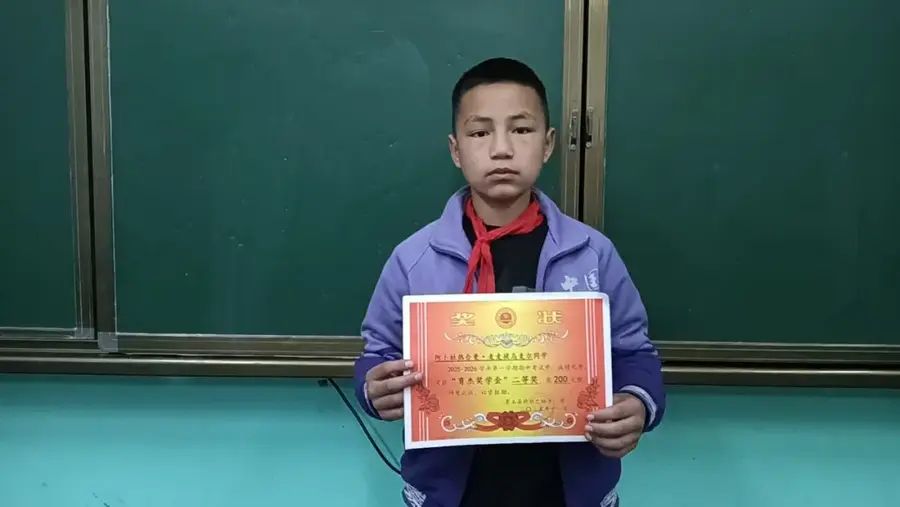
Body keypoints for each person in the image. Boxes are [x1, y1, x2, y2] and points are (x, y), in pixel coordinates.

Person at [353, 57, 665, 507]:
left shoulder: (592, 253)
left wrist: (636, 403)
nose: (501, 149)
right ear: (456, 150)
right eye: (480, 133)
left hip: (570, 492)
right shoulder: (414, 258)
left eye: (521, 129)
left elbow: (634, 352)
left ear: (548, 144)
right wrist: (374, 388)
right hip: (451, 495)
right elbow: (378, 353)